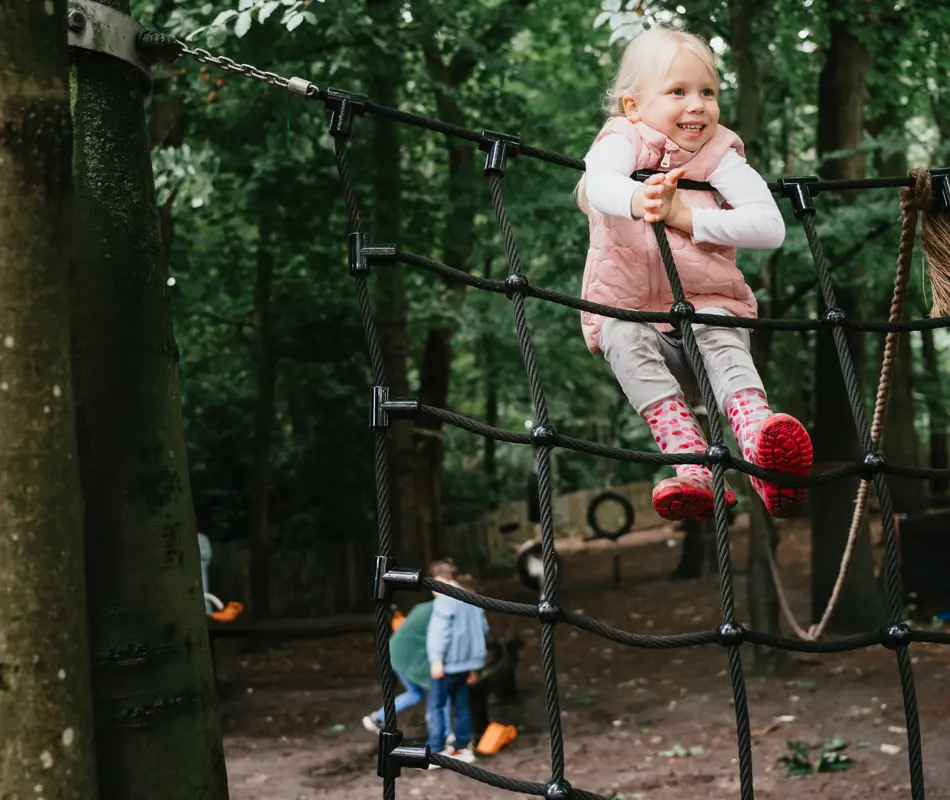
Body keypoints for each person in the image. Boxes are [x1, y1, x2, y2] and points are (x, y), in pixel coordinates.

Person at [577, 26, 812, 522]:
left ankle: (760, 449)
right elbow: (597, 182)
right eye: (678, 91)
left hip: (707, 308)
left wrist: (688, 218)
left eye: (708, 92)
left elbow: (770, 227)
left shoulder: (718, 154)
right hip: (638, 318)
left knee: (715, 325)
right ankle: (694, 467)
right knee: (617, 331)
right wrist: (637, 198)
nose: (697, 105)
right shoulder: (622, 139)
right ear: (634, 106)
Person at [361, 559, 457, 736]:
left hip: (395, 653)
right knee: (439, 692)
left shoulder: (426, 607)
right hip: (408, 656)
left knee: (416, 693)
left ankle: (377, 718)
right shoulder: (440, 610)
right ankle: (444, 735)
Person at [426, 563, 488, 764]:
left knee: (436, 705)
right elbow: (483, 630)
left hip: (446, 664)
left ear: (439, 580)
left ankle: (436, 750)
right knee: (462, 705)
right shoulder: (470, 597)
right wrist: (474, 665)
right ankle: (462, 747)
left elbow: (439, 633)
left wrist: (436, 660)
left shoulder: (445, 599)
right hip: (466, 665)